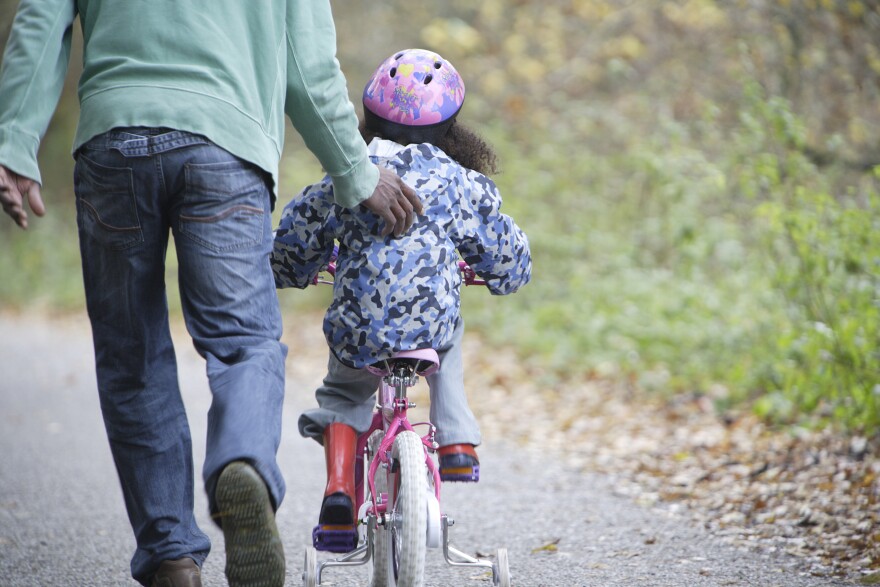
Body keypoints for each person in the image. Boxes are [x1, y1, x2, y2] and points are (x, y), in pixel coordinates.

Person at [0, 2, 422, 587]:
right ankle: (241, 463)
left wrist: (15, 141)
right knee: (244, 345)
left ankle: (171, 555)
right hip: (225, 145)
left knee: (132, 357)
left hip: (113, 139)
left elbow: (42, 18)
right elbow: (307, 65)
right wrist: (357, 174)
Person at [272, 48, 532, 551]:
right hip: (428, 327)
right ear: (453, 127)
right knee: (448, 337)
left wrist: (294, 269)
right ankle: (456, 440)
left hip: (359, 328)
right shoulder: (460, 182)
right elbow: (506, 255)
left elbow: (296, 238)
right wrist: (505, 273)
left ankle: (340, 492)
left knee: (344, 394)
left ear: (368, 118)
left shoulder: (351, 176)